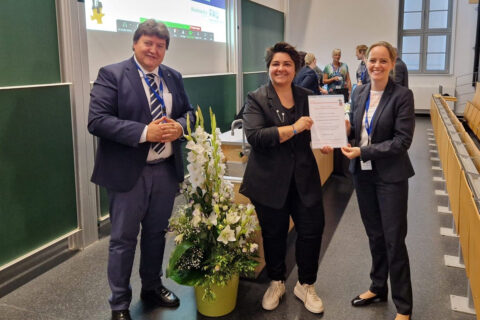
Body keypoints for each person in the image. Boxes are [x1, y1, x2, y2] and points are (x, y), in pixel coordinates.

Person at [88, 19, 195, 320]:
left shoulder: (173, 77)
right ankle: (119, 304)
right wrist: (144, 132)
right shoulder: (112, 75)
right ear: (135, 44)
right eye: (148, 43)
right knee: (123, 240)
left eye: (160, 46)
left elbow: (190, 113)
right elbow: (97, 121)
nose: (154, 49)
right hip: (128, 174)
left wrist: (181, 125)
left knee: (156, 234)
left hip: (165, 171)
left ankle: (152, 286)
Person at [240, 42, 331, 314]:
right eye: (275, 64)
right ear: (269, 68)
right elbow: (256, 136)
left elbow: (316, 130)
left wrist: (325, 140)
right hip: (269, 181)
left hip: (304, 179)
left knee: (312, 232)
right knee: (274, 234)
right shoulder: (256, 97)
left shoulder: (306, 95)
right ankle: (277, 281)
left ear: (296, 68)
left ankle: (306, 284)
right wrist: (293, 128)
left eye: (287, 64)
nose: (281, 69)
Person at [341, 41, 415, 320]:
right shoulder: (359, 92)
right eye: (373, 60)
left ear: (392, 64)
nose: (377, 65)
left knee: (394, 239)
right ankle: (377, 287)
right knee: (375, 235)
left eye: (383, 61)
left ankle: (404, 306)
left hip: (391, 177)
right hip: (363, 174)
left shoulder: (402, 96)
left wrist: (364, 150)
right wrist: (341, 134)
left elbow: (402, 141)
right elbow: (355, 129)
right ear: (366, 61)